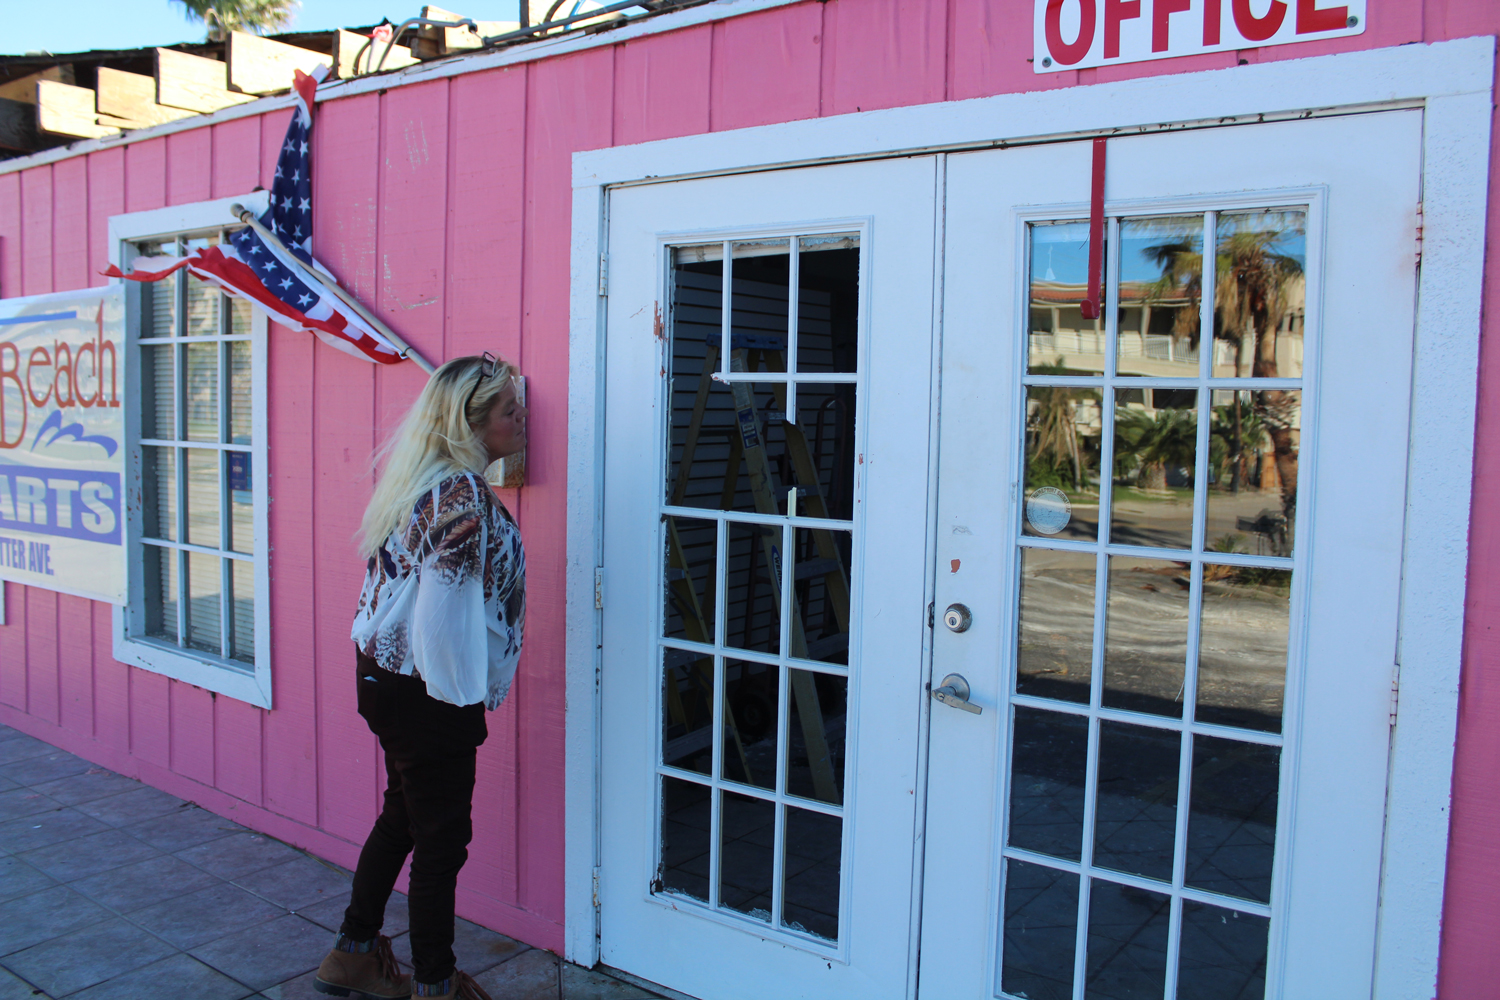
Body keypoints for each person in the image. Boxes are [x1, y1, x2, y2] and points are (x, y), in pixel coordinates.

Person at [315, 353, 526, 1000]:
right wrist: (464, 703)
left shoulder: (425, 480)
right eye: (507, 412)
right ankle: (437, 984)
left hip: (386, 679)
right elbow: (441, 617)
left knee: (404, 816)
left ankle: (352, 952)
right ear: (470, 424)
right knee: (441, 841)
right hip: (428, 690)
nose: (520, 422)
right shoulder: (460, 496)